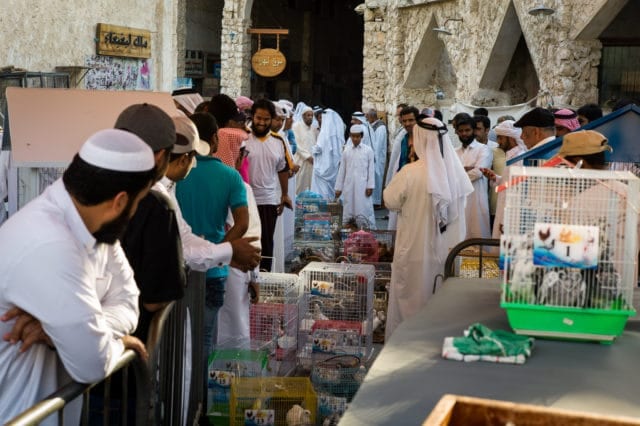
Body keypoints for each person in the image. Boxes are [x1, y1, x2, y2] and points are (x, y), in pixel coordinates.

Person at [0, 129, 154, 423]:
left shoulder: (95, 230)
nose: (134, 213)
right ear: (120, 201)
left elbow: (128, 301)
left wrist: (60, 331)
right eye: (138, 202)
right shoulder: (50, 243)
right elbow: (92, 363)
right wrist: (118, 341)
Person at [384, 117, 473, 339]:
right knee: (439, 295)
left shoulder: (410, 172)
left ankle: (404, 346)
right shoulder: (456, 173)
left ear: (422, 140)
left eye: (415, 139)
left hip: (414, 250)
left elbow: (390, 200)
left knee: (410, 299)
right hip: (446, 253)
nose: (412, 144)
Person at [175, 113, 249, 355]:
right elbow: (242, 224)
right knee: (205, 339)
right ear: (214, 140)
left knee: (175, 340)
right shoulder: (231, 176)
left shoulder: (175, 173)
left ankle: (177, 392)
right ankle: (200, 392)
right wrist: (219, 251)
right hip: (214, 271)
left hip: (178, 266)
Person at [246, 99, 292, 271]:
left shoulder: (278, 141)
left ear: (272, 119)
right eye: (258, 118)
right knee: (248, 241)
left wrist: (285, 194)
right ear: (252, 116)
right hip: (246, 200)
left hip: (268, 201)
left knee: (266, 243)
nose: (262, 122)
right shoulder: (243, 137)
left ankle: (264, 280)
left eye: (266, 119)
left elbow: (283, 169)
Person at [455, 115, 493, 239]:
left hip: (476, 200)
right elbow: (448, 173)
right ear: (456, 132)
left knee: (477, 236)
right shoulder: (455, 152)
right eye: (461, 131)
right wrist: (467, 169)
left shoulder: (484, 149)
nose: (464, 134)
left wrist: (459, 172)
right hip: (457, 201)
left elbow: (478, 173)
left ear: (473, 130)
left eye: (467, 130)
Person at [335, 124, 376, 229]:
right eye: (353, 136)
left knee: (363, 207)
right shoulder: (346, 151)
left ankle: (364, 230)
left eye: (357, 136)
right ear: (350, 136)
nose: (355, 139)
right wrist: (338, 188)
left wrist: (370, 186)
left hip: (363, 186)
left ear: (361, 136)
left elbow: (371, 170)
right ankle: (349, 229)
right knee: (349, 208)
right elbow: (342, 170)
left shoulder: (368, 150)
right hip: (349, 186)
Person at [386, 106, 419, 230]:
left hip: (419, 186)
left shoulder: (423, 137)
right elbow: (399, 162)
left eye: (411, 120)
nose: (407, 124)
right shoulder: (404, 138)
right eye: (404, 121)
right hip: (404, 183)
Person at [311, 109, 345, 200]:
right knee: (331, 188)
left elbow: (318, 148)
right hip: (333, 167)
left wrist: (312, 149)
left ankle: (323, 208)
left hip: (323, 166)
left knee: (322, 191)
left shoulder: (324, 132)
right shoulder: (336, 134)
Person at [292, 106, 318, 194]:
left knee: (310, 186)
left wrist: (313, 157)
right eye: (308, 115)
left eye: (311, 115)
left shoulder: (313, 128)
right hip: (301, 161)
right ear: (303, 116)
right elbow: (297, 145)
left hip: (312, 162)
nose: (310, 117)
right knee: (299, 186)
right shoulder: (296, 126)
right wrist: (308, 157)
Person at [366, 108, 388, 207]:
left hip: (377, 158)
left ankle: (376, 202)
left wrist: (374, 158)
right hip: (374, 157)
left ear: (372, 117)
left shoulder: (380, 127)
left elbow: (378, 145)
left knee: (377, 180)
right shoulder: (372, 126)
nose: (367, 119)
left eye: (368, 117)